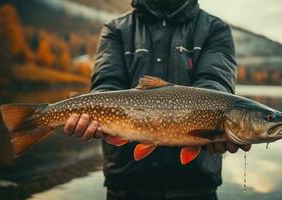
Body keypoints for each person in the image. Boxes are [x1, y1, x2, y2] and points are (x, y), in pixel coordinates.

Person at [64, 0, 251, 199]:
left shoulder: (215, 29)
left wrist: (213, 126)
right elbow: (107, 85)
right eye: (268, 119)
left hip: (195, 185)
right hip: (126, 183)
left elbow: (215, 84)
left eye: (268, 119)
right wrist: (89, 115)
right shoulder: (116, 29)